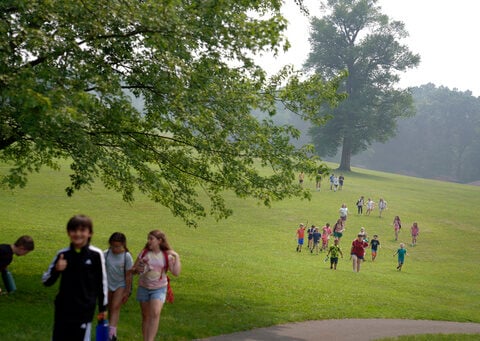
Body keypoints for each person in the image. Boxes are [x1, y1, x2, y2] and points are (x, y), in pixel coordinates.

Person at [42, 214, 107, 341]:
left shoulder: (96, 255)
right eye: (74, 230)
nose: (78, 234)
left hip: (85, 311)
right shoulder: (62, 254)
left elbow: (102, 284)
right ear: (68, 232)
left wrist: (102, 311)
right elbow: (46, 281)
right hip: (63, 310)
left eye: (82, 230)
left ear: (90, 233)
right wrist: (56, 269)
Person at [132, 230, 181, 341]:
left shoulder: (166, 255)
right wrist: (138, 269)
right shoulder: (144, 252)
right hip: (144, 287)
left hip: (159, 288)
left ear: (159, 241)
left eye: (151, 239)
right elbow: (134, 270)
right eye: (148, 238)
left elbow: (176, 273)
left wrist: (176, 256)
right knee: (145, 316)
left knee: (155, 313)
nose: (148, 241)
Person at [104, 232, 134, 341]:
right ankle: (105, 329)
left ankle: (112, 335)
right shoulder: (106, 254)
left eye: (118, 246)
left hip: (120, 285)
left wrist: (127, 291)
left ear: (123, 245)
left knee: (116, 307)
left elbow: (128, 275)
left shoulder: (127, 256)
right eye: (113, 246)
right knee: (108, 307)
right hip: (107, 284)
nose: (115, 249)